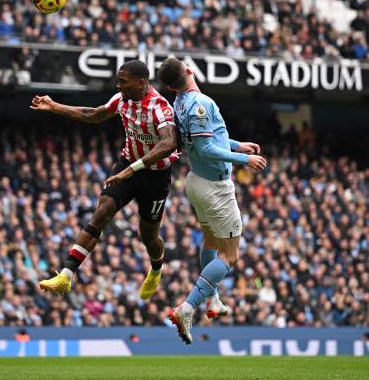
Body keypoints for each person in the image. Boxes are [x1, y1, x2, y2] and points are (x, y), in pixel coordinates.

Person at [111, 56, 266, 344]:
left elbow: (201, 139)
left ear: (170, 85)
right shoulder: (201, 103)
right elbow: (207, 148)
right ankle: (188, 307)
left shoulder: (178, 105)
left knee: (210, 241)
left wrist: (235, 143)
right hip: (215, 186)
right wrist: (244, 157)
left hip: (195, 182)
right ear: (189, 71)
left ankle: (213, 299)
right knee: (230, 255)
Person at [31, 60, 180, 300]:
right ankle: (65, 276)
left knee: (149, 236)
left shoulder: (160, 108)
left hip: (155, 176)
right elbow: (94, 114)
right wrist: (53, 106)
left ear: (142, 83)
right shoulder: (121, 99)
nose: (118, 85)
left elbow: (168, 143)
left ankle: (156, 269)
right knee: (103, 211)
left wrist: (134, 168)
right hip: (127, 166)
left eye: (123, 81)